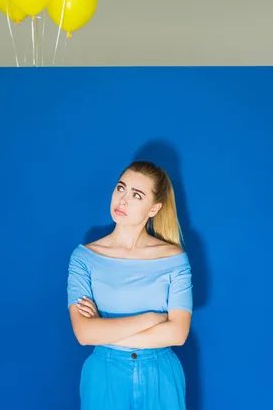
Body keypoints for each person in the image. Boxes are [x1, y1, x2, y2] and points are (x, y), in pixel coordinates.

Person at [67, 160, 193, 410]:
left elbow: (177, 334)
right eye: (120, 188)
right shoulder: (83, 258)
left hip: (160, 377)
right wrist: (152, 319)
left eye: (136, 195)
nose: (122, 200)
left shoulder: (174, 259)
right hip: (105, 377)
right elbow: (84, 334)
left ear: (154, 208)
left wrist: (104, 328)